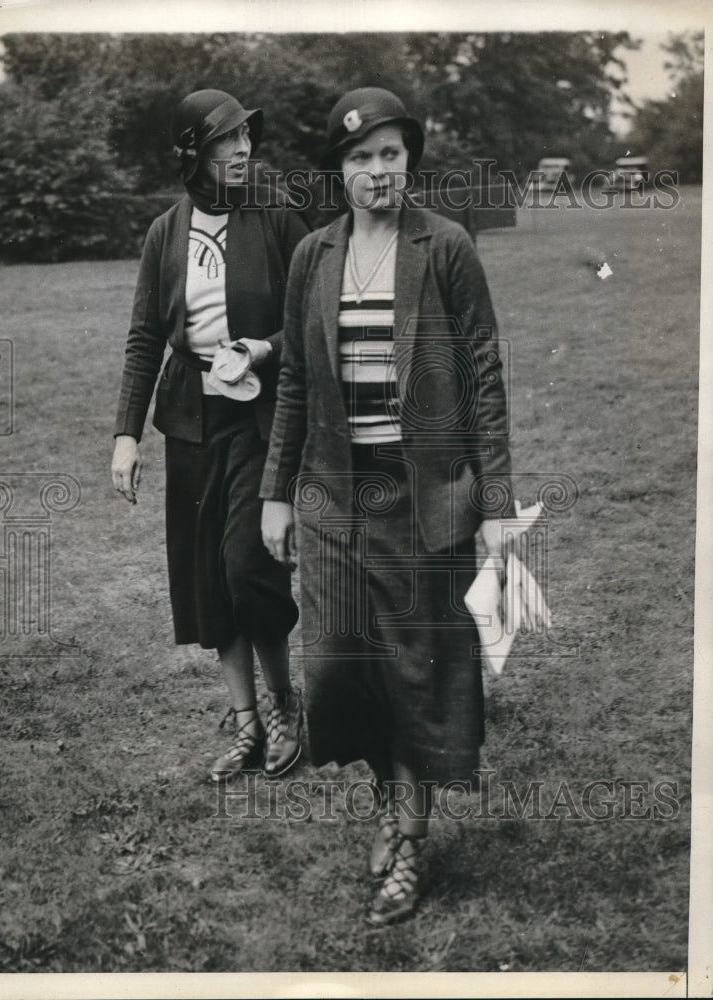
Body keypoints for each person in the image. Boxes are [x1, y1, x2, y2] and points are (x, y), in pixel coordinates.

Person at [260, 87, 513, 925]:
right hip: (333, 496)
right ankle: (386, 792)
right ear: (339, 170)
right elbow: (294, 379)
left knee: (416, 669)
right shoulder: (315, 256)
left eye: (392, 155)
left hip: (424, 498)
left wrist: (497, 500)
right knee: (338, 666)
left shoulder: (444, 247)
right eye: (362, 158)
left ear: (410, 162)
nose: (379, 171)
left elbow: (483, 375)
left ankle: (408, 836)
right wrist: (275, 494)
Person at [112, 89, 308, 784]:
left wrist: (262, 349)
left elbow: (307, 322)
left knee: (248, 566)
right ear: (193, 153)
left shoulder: (278, 217)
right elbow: (143, 338)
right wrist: (126, 436)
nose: (243, 150)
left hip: (259, 417)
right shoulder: (166, 232)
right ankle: (246, 721)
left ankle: (285, 701)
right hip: (192, 417)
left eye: (247, 138)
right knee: (207, 583)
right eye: (226, 140)